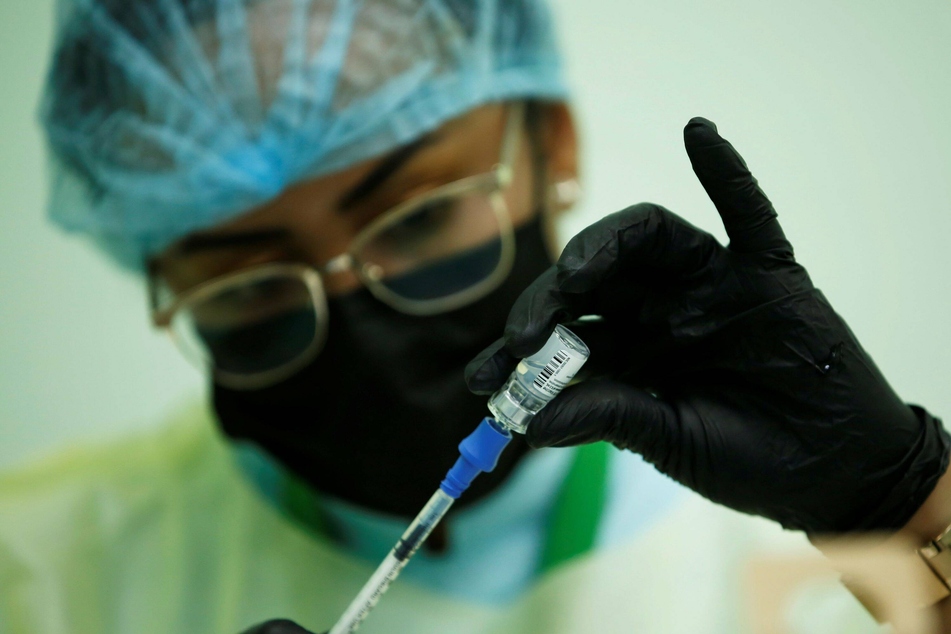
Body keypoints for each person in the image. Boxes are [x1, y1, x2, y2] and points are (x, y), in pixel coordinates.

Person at [1, 1, 947, 634]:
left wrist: (903, 508)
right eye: (246, 283)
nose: (357, 319)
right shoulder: (38, 575)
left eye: (415, 216)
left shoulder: (827, 589)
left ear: (550, 143)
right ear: (160, 274)